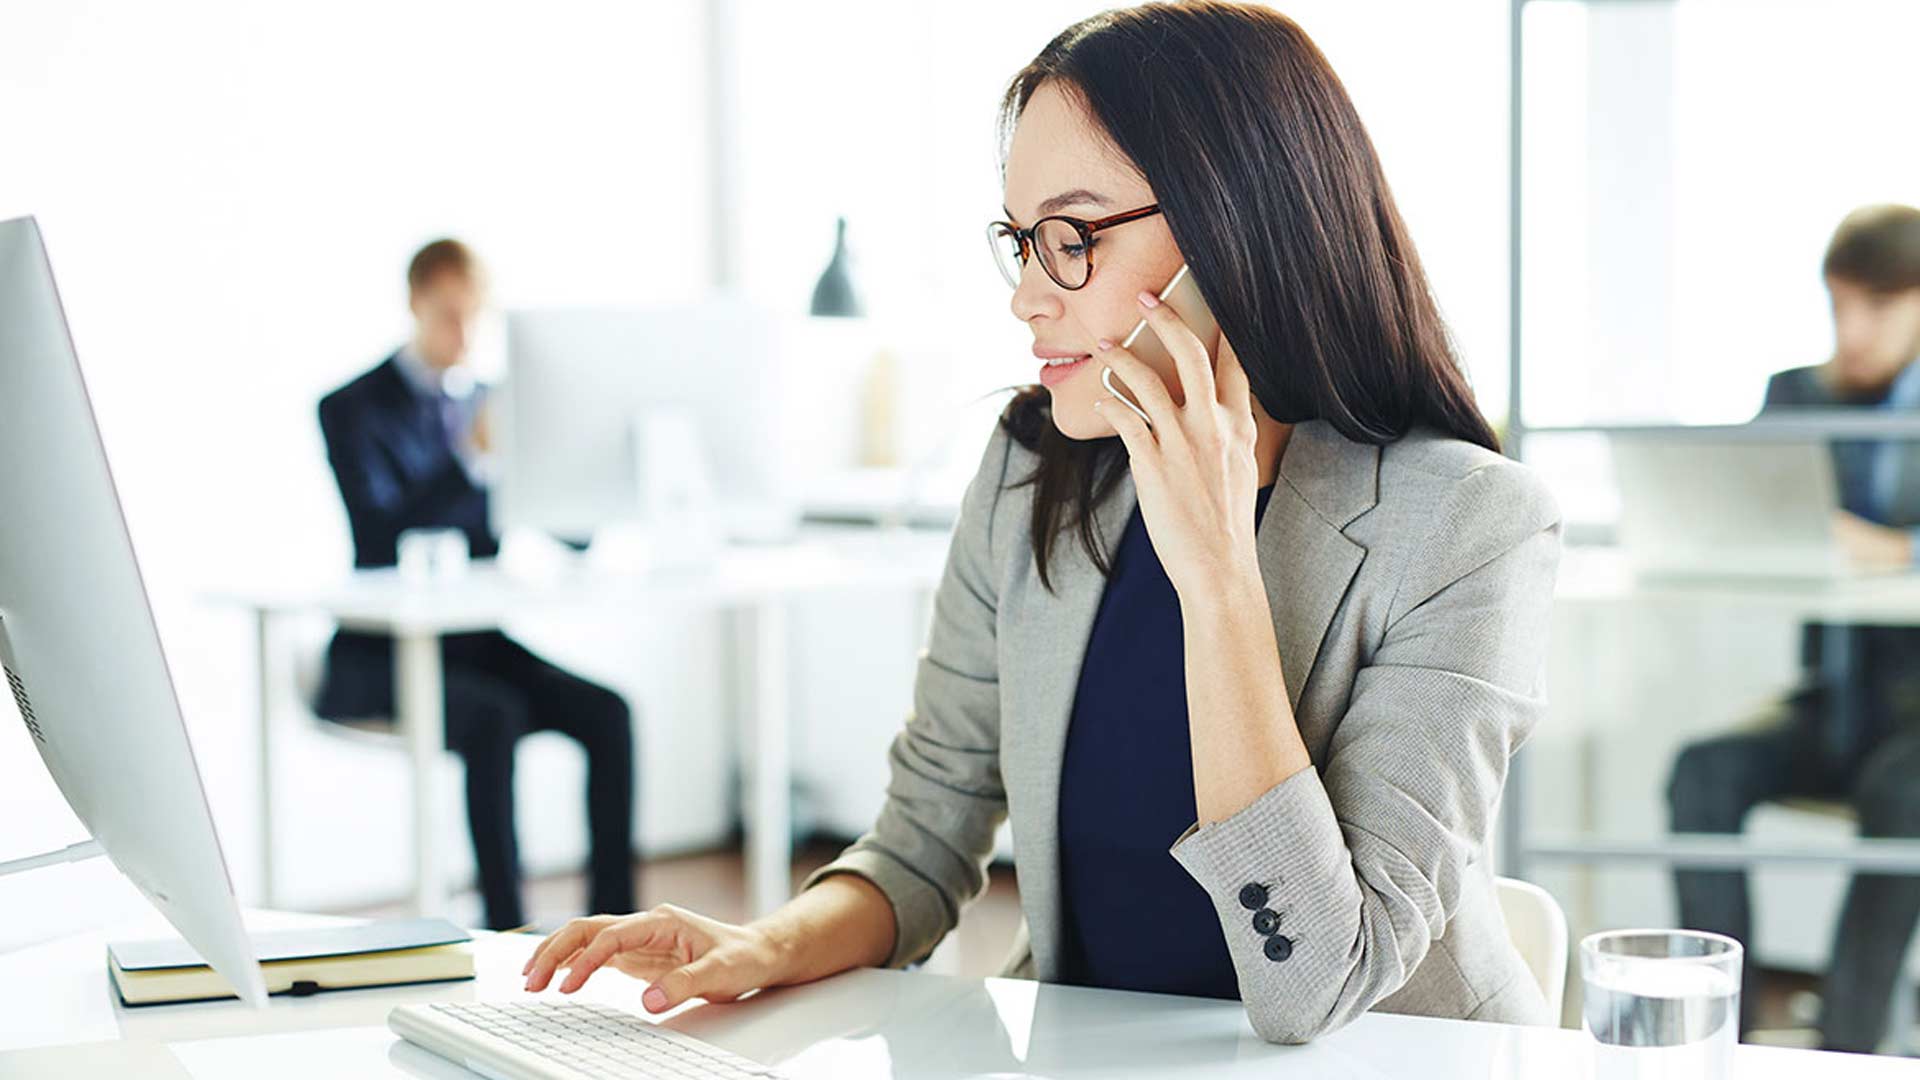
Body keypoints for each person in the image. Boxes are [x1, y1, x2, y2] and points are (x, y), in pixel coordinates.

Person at [522, 2, 1561, 1043]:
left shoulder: (1471, 529)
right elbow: (923, 840)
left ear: (1234, 235)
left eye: (1070, 240)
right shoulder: (1034, 470)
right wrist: (765, 946)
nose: (1026, 297)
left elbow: (1320, 988)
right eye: (1020, 242)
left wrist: (1217, 578)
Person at [313, 238, 637, 931]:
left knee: (607, 712)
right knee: (494, 717)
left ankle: (614, 923)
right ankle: (509, 932)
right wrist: (470, 457)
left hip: (475, 642)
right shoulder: (351, 409)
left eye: (473, 316)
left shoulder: (493, 405)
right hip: (379, 654)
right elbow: (379, 534)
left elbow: (570, 532)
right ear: (415, 304)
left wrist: (580, 458)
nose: (463, 334)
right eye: (448, 315)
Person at [1668, 204, 1920, 1052]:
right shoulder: (1795, 395)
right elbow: (1740, 512)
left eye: (1878, 307)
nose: (1851, 332)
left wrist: (1893, 551)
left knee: (1907, 795)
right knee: (1701, 775)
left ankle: (1848, 1052)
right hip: (1832, 703)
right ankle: (1719, 1044)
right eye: (1838, 306)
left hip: (1915, 727)